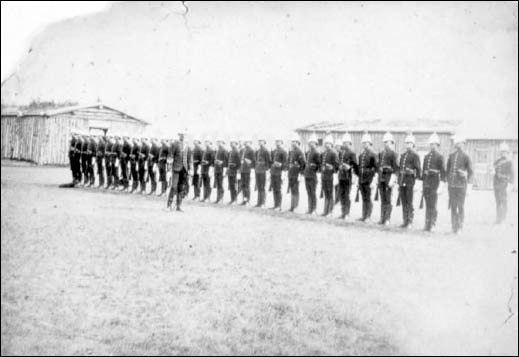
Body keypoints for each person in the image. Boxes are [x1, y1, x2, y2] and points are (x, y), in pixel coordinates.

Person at [446, 135, 473, 234]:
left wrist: (465, 175)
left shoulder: (466, 156)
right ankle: (454, 226)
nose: (458, 145)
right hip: (452, 186)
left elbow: (470, 172)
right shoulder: (451, 156)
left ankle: (460, 227)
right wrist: (447, 181)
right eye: (456, 143)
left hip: (461, 186)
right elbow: (447, 170)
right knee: (453, 206)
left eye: (459, 143)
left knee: (460, 206)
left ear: (463, 144)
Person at [421, 133, 446, 231]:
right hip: (426, 183)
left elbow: (443, 172)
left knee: (433, 204)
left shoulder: (440, 156)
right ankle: (427, 223)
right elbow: (423, 171)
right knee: (427, 204)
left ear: (437, 145)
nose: (432, 146)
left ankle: (433, 224)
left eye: (434, 144)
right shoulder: (426, 156)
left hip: (434, 183)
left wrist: (441, 185)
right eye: (431, 144)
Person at [166, 130, 192, 211]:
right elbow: (170, 156)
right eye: (181, 135)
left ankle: (178, 206)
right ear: (179, 135)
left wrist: (190, 169)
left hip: (184, 170)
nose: (183, 136)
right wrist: (169, 169)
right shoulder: (174, 144)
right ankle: (168, 206)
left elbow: (189, 159)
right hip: (176, 168)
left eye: (184, 135)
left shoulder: (188, 146)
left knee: (181, 188)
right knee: (173, 187)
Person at [377, 132, 399, 225]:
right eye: (385, 142)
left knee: (388, 199)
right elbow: (379, 166)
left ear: (392, 143)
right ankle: (382, 218)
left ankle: (387, 219)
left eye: (388, 142)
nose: (386, 144)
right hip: (381, 178)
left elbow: (396, 169)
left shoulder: (394, 154)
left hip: (388, 179)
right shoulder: (381, 153)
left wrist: (392, 180)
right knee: (382, 199)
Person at [355, 132, 377, 222]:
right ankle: (364, 215)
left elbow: (375, 168)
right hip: (362, 179)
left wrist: (373, 180)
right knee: (363, 198)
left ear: (370, 143)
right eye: (363, 143)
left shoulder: (373, 154)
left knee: (368, 198)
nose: (364, 145)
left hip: (369, 179)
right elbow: (360, 168)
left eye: (366, 143)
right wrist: (358, 179)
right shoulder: (361, 155)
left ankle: (368, 216)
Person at [337, 132, 357, 219]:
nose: (345, 144)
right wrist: (340, 166)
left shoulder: (352, 153)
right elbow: (338, 163)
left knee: (347, 195)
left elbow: (355, 166)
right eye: (344, 143)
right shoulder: (341, 153)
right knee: (341, 194)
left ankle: (347, 213)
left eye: (346, 143)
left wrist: (349, 167)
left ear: (350, 143)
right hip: (341, 176)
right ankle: (342, 212)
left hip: (348, 177)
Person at [493, 142, 514, 224]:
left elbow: (512, 175)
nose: (503, 153)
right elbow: (493, 169)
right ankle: (498, 218)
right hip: (497, 185)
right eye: (502, 152)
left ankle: (503, 218)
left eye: (505, 152)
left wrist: (510, 185)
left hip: (504, 185)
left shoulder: (509, 162)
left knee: (504, 202)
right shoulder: (497, 161)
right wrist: (492, 171)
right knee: (498, 202)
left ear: (507, 153)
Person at [320, 134, 339, 217]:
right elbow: (321, 164)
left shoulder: (334, 153)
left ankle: (330, 211)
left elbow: (337, 166)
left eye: (329, 143)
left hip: (330, 176)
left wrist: (332, 167)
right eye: (326, 143)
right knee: (326, 193)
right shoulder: (323, 153)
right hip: (324, 176)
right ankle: (325, 210)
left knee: (330, 193)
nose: (327, 145)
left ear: (331, 144)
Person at [287, 133, 306, 212]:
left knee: (295, 190)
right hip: (291, 173)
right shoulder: (292, 151)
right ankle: (292, 206)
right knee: (292, 190)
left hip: (296, 173)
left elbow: (303, 164)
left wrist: (301, 174)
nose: (292, 143)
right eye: (292, 142)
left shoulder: (300, 151)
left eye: (294, 142)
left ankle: (295, 206)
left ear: (298, 142)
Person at [304, 133, 321, 214]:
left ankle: (314, 209)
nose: (311, 144)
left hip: (313, 176)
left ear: (316, 144)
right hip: (307, 175)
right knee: (308, 192)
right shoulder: (308, 153)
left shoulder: (317, 153)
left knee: (313, 193)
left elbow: (319, 165)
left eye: (313, 143)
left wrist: (314, 166)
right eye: (310, 143)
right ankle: (309, 208)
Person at [270, 138, 288, 211]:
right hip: (273, 172)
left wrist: (281, 168)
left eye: (279, 141)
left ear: (281, 142)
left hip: (279, 173)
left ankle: (279, 205)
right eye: (276, 141)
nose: (277, 143)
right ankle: (275, 204)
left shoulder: (283, 151)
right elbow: (271, 161)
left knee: (278, 189)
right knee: (274, 188)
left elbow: (285, 163)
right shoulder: (274, 151)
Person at [255, 138, 271, 208]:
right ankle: (259, 202)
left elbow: (268, 162)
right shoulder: (258, 150)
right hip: (258, 170)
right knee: (258, 187)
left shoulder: (266, 151)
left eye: (261, 141)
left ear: (264, 142)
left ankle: (263, 203)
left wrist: (267, 171)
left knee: (262, 187)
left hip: (263, 171)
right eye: (259, 141)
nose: (260, 142)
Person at [240, 139, 255, 205]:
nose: (246, 143)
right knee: (243, 186)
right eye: (245, 142)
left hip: (248, 170)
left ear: (250, 142)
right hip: (242, 169)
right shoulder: (243, 150)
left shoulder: (251, 150)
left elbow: (253, 161)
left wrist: (247, 161)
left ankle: (248, 200)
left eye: (247, 142)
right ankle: (244, 199)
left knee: (247, 186)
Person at [214, 138, 229, 204]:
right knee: (218, 184)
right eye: (217, 142)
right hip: (217, 169)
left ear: (223, 142)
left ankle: (220, 197)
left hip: (221, 169)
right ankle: (218, 198)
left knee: (220, 184)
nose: (218, 143)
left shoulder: (224, 150)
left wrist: (221, 163)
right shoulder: (218, 150)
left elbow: (226, 161)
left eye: (219, 142)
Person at [227, 139, 241, 204]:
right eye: (231, 143)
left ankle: (235, 199)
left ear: (236, 143)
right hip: (230, 170)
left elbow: (239, 162)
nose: (231, 144)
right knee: (231, 185)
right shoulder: (231, 151)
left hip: (235, 170)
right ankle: (232, 199)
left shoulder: (237, 151)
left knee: (235, 185)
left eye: (233, 143)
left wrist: (238, 171)